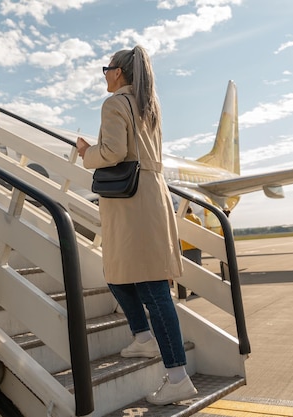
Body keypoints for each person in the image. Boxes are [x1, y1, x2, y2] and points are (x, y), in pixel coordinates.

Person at [76, 45, 197, 405]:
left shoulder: (114, 104)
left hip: (132, 204)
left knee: (151, 287)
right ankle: (143, 339)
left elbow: (112, 153)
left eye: (106, 69)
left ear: (119, 72)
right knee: (117, 273)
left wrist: (86, 153)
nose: (105, 75)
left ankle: (177, 375)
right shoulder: (148, 106)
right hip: (150, 198)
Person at [179, 207, 202, 299]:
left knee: (186, 270)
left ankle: (184, 289)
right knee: (197, 268)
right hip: (196, 246)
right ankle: (196, 289)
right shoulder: (197, 218)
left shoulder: (182, 219)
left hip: (184, 247)